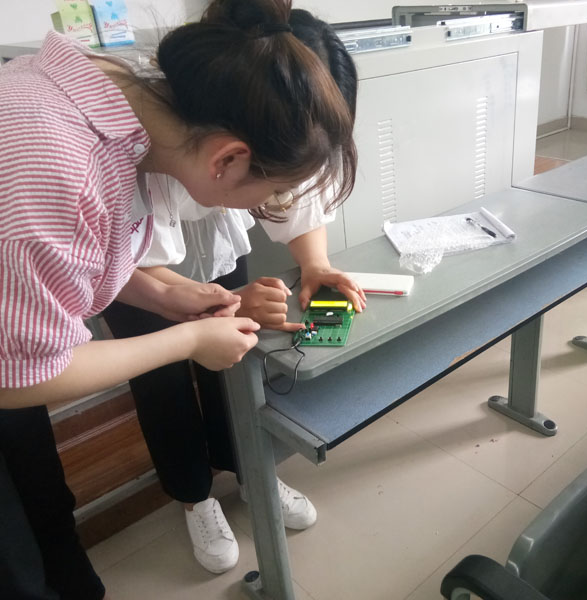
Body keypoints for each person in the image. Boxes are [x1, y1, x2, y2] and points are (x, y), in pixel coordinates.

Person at [0, 0, 356, 598]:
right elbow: (15, 381)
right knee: (8, 562)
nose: (275, 208)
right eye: (274, 192)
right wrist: (186, 340)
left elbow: (80, 253)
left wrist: (164, 293)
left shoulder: (121, 98)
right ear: (229, 159)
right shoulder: (57, 164)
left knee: (44, 510)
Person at [100, 8, 363, 575]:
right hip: (132, 271)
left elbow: (293, 194)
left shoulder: (248, 135)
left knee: (234, 357)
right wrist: (221, 304)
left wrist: (314, 263)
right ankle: (194, 496)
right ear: (232, 154)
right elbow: (125, 270)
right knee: (162, 379)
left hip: (193, 244)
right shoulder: (127, 150)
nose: (280, 195)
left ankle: (249, 468)